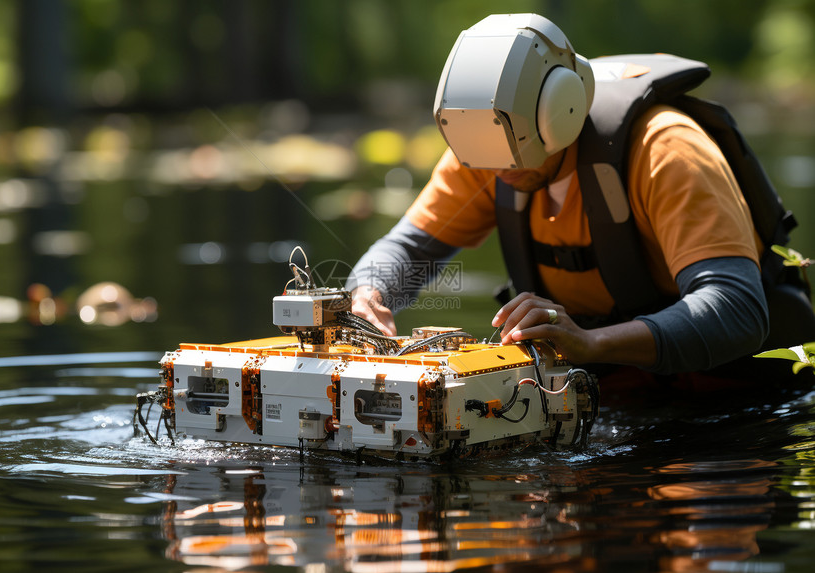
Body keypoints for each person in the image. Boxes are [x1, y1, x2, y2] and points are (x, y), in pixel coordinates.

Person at [346, 13, 815, 380]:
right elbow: (408, 249)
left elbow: (736, 308)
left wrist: (594, 343)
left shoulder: (666, 150)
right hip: (619, 383)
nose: (491, 172)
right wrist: (368, 293)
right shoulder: (486, 146)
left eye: (506, 157)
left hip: (737, 389)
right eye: (479, 155)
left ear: (561, 110)